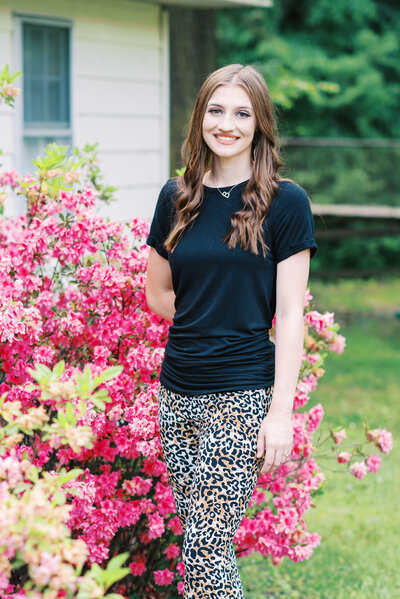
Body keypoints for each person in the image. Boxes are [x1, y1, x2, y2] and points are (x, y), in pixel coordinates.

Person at [145, 63, 318, 599]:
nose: (227, 124)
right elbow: (158, 295)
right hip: (177, 393)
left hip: (241, 394)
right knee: (200, 544)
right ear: (200, 118)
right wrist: (207, 319)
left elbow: (291, 314)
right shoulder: (175, 197)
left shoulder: (286, 202)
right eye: (216, 110)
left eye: (242, 113)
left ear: (259, 123)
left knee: (204, 548)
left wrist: (280, 413)